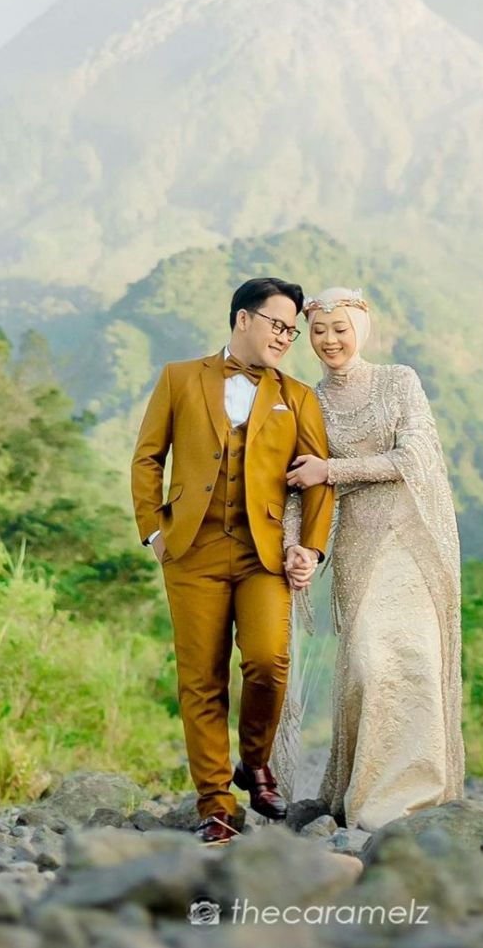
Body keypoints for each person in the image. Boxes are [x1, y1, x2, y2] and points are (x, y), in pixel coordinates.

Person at [131, 277, 334, 845]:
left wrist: (311, 548)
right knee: (201, 679)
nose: (285, 337)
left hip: (261, 554)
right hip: (190, 550)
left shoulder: (296, 395)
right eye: (278, 325)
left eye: (292, 331)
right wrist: (154, 533)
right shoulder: (178, 378)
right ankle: (216, 803)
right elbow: (148, 458)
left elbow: (319, 480)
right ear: (243, 319)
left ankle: (255, 760)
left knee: (269, 662)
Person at [285, 286, 465, 830]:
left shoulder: (399, 380)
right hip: (359, 547)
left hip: (415, 542)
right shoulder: (307, 401)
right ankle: (369, 793)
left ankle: (419, 799)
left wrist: (332, 471)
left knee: (417, 660)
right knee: (368, 663)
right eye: (318, 330)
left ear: (362, 330)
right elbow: (296, 484)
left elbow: (416, 455)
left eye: (341, 328)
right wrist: (298, 545)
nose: (330, 340)